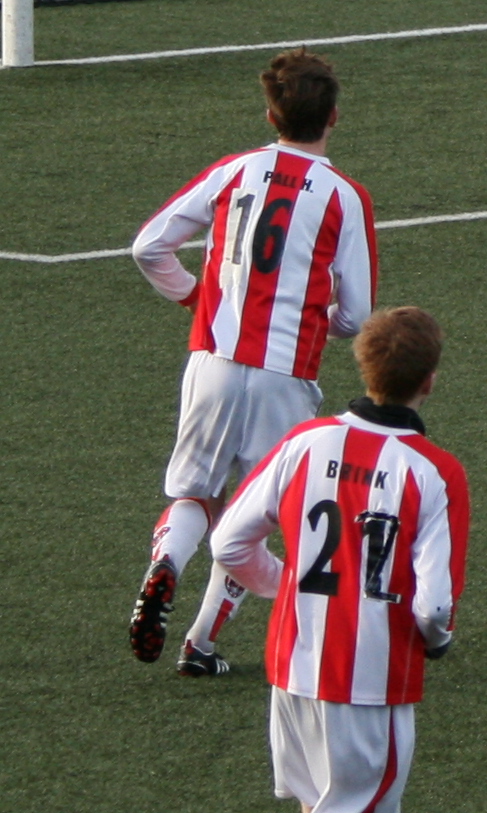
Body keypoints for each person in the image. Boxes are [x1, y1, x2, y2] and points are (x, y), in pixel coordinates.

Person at [128, 49, 376, 677]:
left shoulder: (234, 170)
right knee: (254, 517)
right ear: (334, 116)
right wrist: (318, 318)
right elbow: (358, 314)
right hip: (285, 379)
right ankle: (200, 645)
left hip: (212, 362)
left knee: (195, 494)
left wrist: (197, 297)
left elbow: (149, 247)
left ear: (270, 115)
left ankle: (167, 563)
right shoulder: (344, 196)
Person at [207, 305, 467, 813]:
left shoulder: (305, 441)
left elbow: (228, 544)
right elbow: (434, 607)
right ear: (429, 381)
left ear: (365, 367)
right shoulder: (433, 472)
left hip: (293, 669)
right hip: (369, 682)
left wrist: (287, 585)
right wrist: (437, 640)